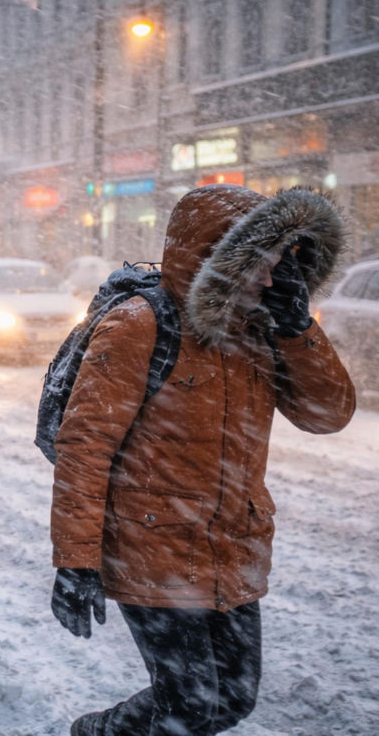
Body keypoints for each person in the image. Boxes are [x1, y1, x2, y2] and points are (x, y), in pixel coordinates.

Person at [49, 185, 356, 736]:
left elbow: (327, 414)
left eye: (277, 263)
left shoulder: (263, 329)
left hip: (230, 550)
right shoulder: (140, 325)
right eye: (257, 264)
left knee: (233, 701)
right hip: (154, 550)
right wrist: (76, 561)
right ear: (216, 261)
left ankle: (99, 732)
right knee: (189, 708)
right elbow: (85, 449)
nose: (269, 279)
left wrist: (298, 328)